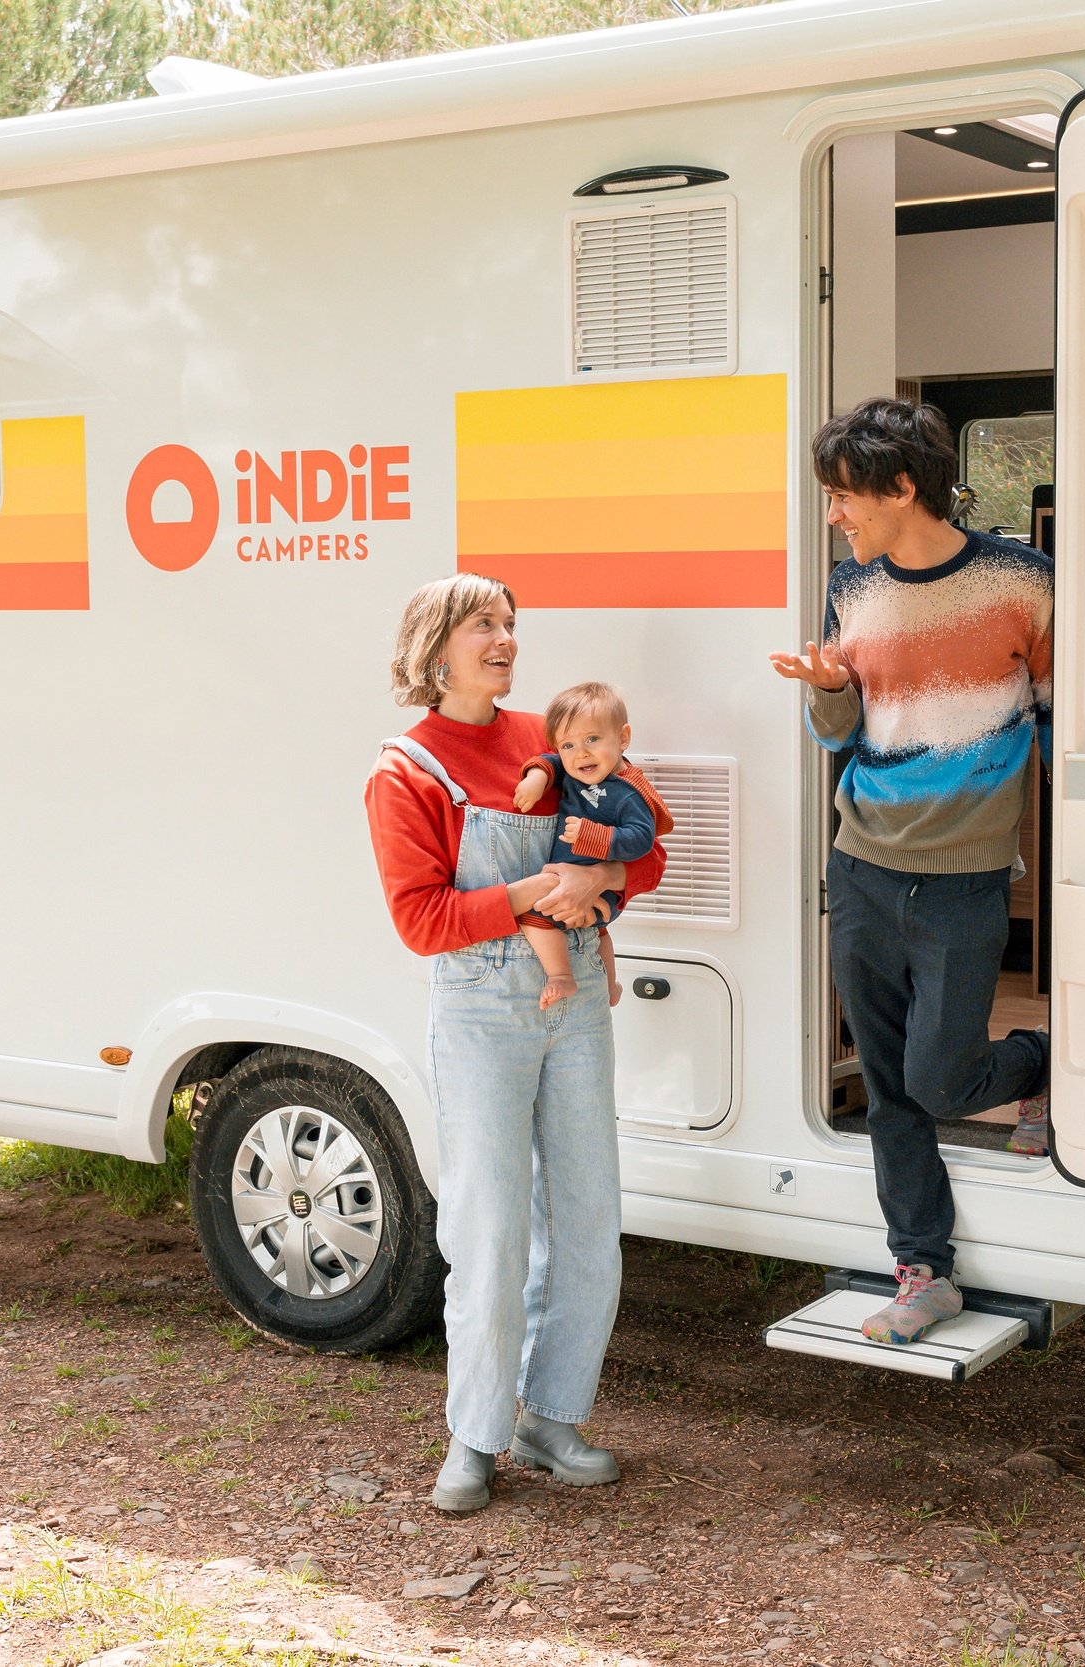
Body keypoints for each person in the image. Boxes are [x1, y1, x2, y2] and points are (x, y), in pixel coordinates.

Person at [365, 573, 666, 1513]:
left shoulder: (553, 733)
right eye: (483, 625)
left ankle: (551, 1415)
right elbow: (421, 919)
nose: (505, 640)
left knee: (587, 1218)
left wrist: (603, 884)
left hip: (574, 1001)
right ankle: (475, 1434)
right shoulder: (407, 770)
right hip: (482, 1007)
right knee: (489, 1228)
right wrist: (537, 892)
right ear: (434, 647)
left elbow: (650, 845)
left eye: (509, 623)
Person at [769, 397, 1052, 1347]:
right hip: (862, 867)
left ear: (900, 486)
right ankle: (923, 1269)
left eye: (843, 495)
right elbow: (838, 733)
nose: (834, 515)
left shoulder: (1023, 581)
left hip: (966, 879)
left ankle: (1038, 1062)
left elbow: (1057, 716)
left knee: (939, 1080)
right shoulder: (850, 587)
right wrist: (829, 692)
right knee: (889, 1085)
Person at [512, 681, 667, 1010]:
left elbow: (642, 839)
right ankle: (610, 987)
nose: (580, 753)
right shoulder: (576, 772)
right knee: (599, 934)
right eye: (568, 745)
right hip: (583, 886)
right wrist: (538, 777)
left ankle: (559, 975)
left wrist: (594, 837)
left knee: (533, 917)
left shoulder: (628, 793)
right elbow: (553, 762)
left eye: (592, 739)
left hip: (601, 893)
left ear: (623, 738)